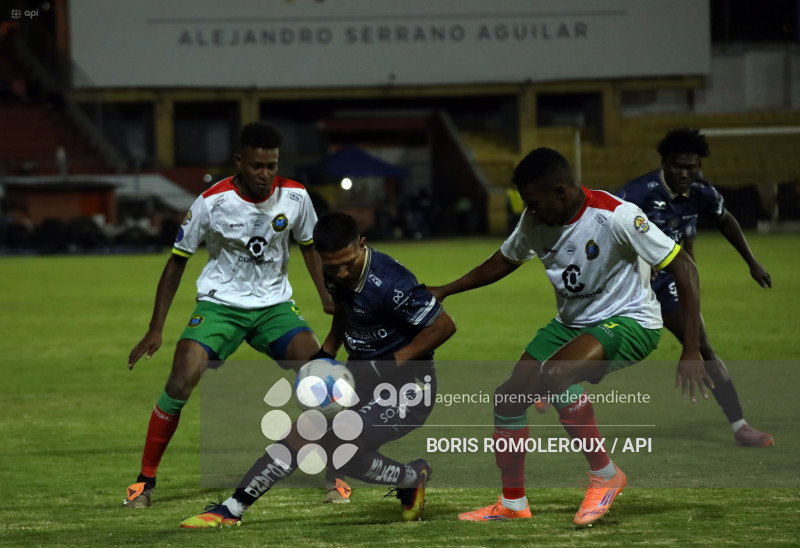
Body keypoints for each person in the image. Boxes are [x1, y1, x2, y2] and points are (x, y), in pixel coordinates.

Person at [428, 148, 709, 526]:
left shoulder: (617, 216)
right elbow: (504, 260)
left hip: (631, 321)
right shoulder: (536, 218)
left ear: (561, 191)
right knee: (508, 399)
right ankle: (512, 503)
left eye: (534, 202)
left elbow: (684, 267)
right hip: (571, 324)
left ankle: (606, 476)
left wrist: (691, 348)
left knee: (557, 375)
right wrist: (447, 289)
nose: (529, 210)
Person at [179, 212, 456, 528]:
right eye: (332, 265)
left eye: (348, 263)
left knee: (338, 446)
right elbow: (344, 309)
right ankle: (231, 509)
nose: (341, 272)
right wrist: (326, 352)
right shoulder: (335, 273)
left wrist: (388, 364)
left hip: (409, 389)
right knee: (301, 434)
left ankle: (409, 478)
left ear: (362, 245)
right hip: (358, 379)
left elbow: (443, 326)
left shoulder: (392, 282)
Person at [124, 121, 338, 508]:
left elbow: (309, 246)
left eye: (272, 165)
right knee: (180, 379)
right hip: (220, 306)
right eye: (257, 166)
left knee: (325, 381)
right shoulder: (211, 202)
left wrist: (325, 294)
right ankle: (144, 482)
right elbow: (176, 263)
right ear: (240, 161)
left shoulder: (295, 196)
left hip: (274, 308)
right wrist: (155, 328)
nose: (265, 174)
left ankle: (335, 477)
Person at [618, 128, 773, 447]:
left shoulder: (701, 192)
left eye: (692, 167)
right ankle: (551, 384)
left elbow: (726, 220)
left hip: (666, 284)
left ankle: (740, 426)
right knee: (596, 342)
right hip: (625, 283)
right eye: (678, 166)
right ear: (664, 163)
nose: (686, 174)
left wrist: (752, 262)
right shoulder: (637, 192)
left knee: (702, 345)